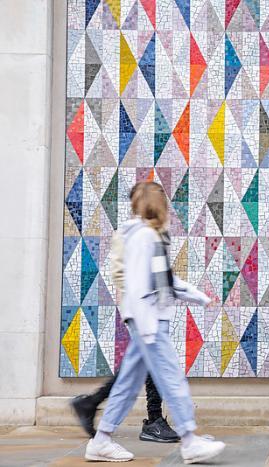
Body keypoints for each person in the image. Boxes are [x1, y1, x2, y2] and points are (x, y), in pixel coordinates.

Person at [84, 182, 226, 463]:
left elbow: (166, 281)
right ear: (156, 204)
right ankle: (189, 440)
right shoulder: (143, 237)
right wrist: (148, 329)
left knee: (127, 384)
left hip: (147, 321)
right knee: (172, 379)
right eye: (164, 201)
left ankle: (101, 441)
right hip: (149, 322)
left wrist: (199, 297)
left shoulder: (150, 235)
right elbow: (136, 285)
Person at [72, 182, 179, 444]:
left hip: (152, 309)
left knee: (139, 364)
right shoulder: (130, 233)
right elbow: (122, 275)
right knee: (149, 363)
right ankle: (152, 420)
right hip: (139, 309)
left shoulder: (156, 232)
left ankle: (91, 403)